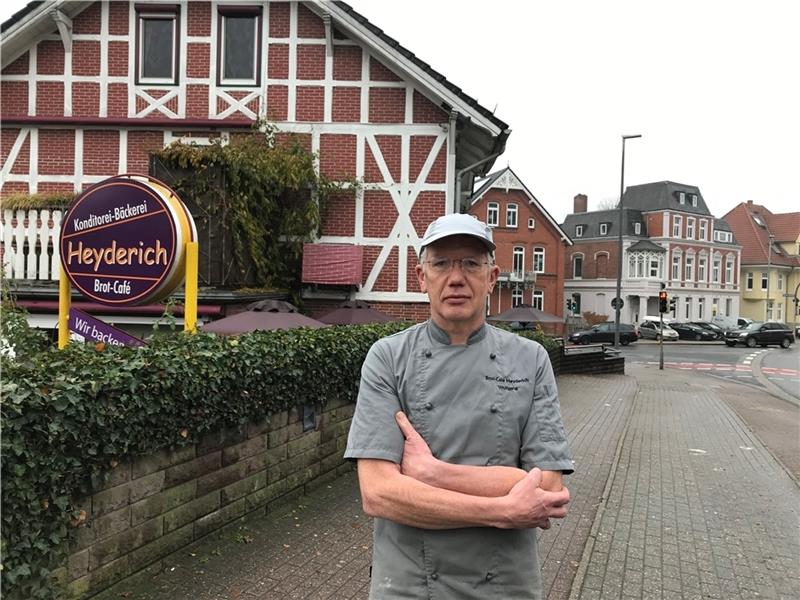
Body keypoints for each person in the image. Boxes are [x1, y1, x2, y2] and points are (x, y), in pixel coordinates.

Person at [345, 213, 573, 599]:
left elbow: (547, 487)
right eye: (441, 264)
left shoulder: (530, 359)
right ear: (422, 277)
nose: (456, 278)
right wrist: (504, 509)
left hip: (505, 584)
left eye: (470, 263)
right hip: (410, 584)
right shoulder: (388, 357)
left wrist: (432, 474)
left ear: (492, 277)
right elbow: (379, 493)